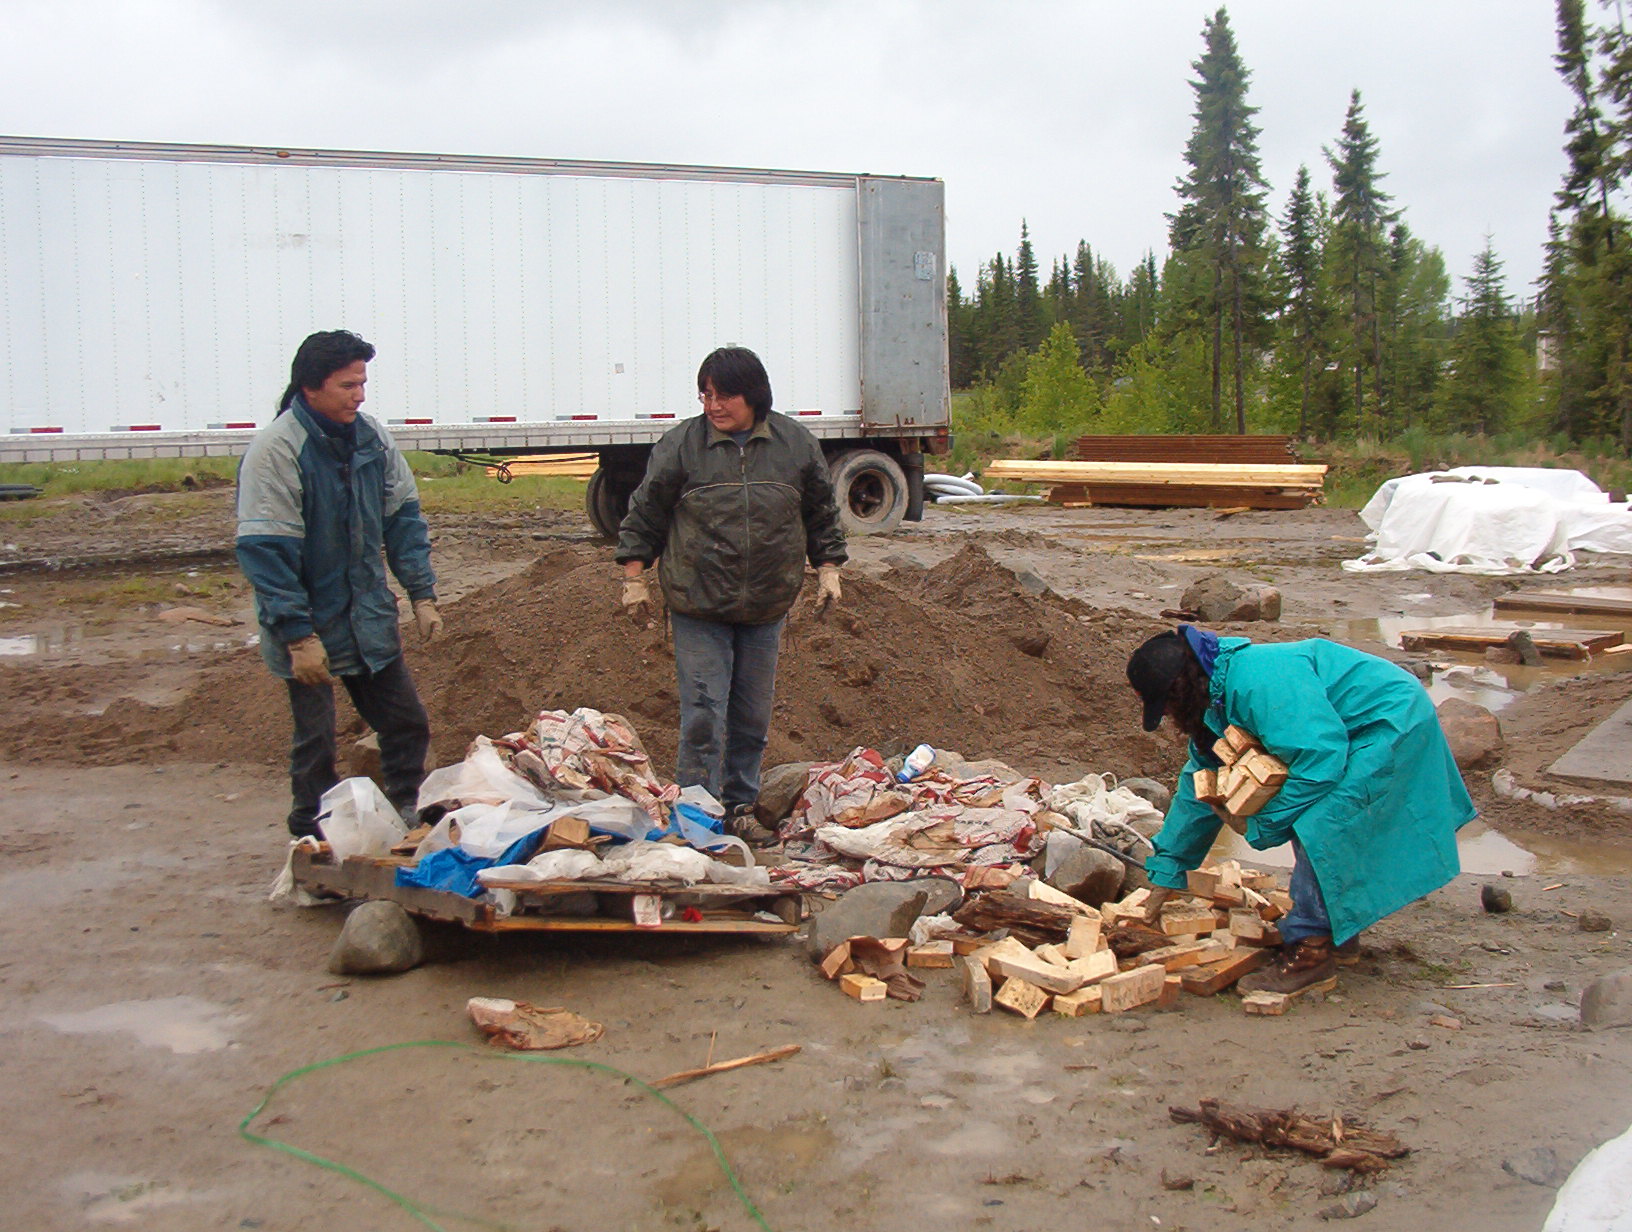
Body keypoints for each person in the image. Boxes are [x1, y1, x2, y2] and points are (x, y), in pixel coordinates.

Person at [1125, 627, 1476, 995]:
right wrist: (1168, 869)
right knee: (1305, 808)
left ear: (1181, 691)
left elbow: (1319, 761)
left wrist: (1262, 825)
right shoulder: (1214, 700)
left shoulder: (1257, 684)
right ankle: (1337, 933)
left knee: (1321, 818)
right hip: (1342, 734)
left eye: (1165, 707)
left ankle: (1311, 952)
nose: (1167, 716)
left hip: (1390, 721)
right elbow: (1202, 783)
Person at [615, 346, 847, 845]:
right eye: (705, 394)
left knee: (751, 715)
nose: (713, 405)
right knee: (703, 713)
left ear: (754, 394)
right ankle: (696, 812)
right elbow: (647, 511)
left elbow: (821, 512)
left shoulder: (794, 444)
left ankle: (740, 804)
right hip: (698, 602)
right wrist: (634, 576)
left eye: (724, 395)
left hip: (766, 604)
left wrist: (828, 567)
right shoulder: (682, 445)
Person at [236, 330, 443, 839]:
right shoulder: (278, 450)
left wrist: (422, 595)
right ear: (310, 387)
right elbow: (268, 553)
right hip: (311, 620)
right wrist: (298, 638)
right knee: (316, 742)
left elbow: (404, 521)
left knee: (405, 724)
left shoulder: (372, 439)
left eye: (363, 383)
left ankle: (403, 820)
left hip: (367, 615)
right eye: (348, 385)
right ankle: (312, 838)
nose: (360, 395)